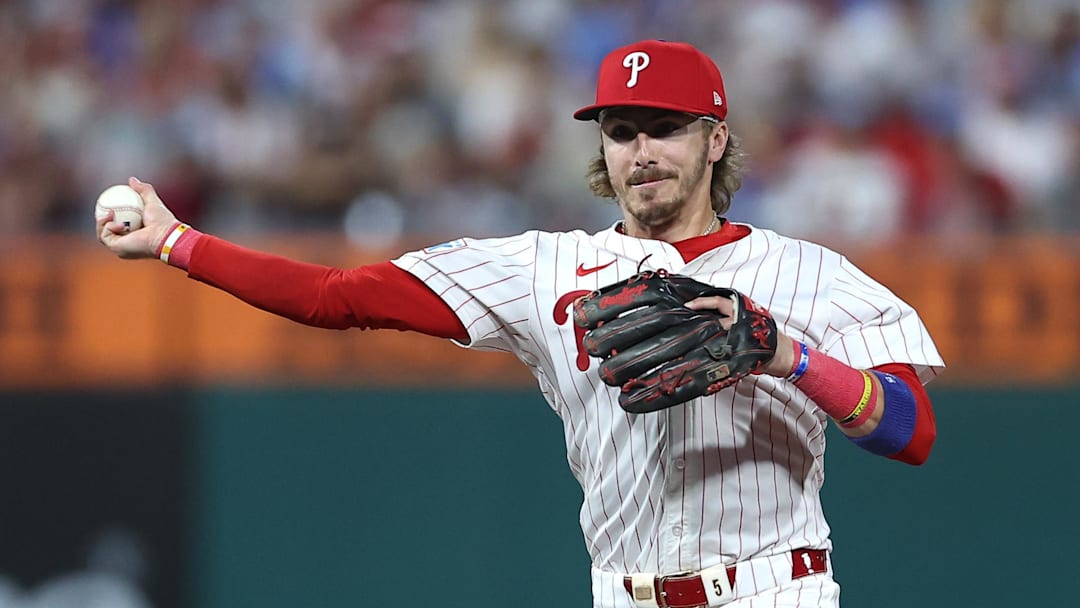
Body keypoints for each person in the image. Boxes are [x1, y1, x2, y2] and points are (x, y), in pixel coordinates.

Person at [98, 39, 943, 608]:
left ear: (714, 140)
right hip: (627, 590)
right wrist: (179, 241)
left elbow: (911, 433)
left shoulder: (807, 273)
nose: (640, 151)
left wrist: (787, 356)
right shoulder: (542, 268)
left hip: (776, 590)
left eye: (664, 130)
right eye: (621, 132)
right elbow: (336, 296)